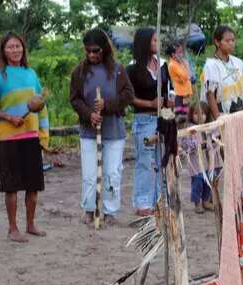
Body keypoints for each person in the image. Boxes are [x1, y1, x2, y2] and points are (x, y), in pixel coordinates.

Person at [0, 32, 49, 242]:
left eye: (18, 46)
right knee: (11, 186)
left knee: (33, 184)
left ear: (23, 49)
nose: (15, 50)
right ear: (3, 51)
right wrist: (9, 117)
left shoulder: (31, 74)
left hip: (31, 137)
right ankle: (12, 228)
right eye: (10, 47)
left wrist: (44, 136)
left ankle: (30, 224)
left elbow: (41, 107)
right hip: (8, 140)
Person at [70, 28, 134, 226]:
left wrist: (107, 105)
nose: (91, 55)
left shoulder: (118, 70)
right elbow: (75, 99)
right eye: (88, 51)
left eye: (95, 50)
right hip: (89, 132)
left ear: (104, 49)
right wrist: (89, 114)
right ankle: (89, 210)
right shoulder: (79, 72)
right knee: (89, 174)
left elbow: (128, 95)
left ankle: (109, 211)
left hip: (114, 131)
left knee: (112, 173)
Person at [127, 28, 173, 217]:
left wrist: (169, 101)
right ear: (145, 43)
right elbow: (129, 98)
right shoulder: (132, 69)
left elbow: (169, 90)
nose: (158, 43)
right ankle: (142, 203)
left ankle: (159, 200)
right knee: (145, 162)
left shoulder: (163, 65)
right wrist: (150, 104)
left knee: (162, 160)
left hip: (161, 118)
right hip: (144, 119)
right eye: (154, 40)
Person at [200, 25, 243, 118]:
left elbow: (242, 91)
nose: (231, 43)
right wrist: (218, 119)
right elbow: (210, 94)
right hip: (222, 113)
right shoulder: (211, 66)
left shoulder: (238, 63)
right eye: (227, 41)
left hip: (239, 113)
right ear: (217, 42)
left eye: (233, 40)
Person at [167, 42, 192, 117]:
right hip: (179, 95)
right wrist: (187, 66)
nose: (182, 55)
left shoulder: (180, 63)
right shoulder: (172, 65)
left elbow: (189, 76)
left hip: (186, 93)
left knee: (186, 116)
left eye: (182, 52)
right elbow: (186, 77)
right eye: (179, 52)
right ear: (173, 54)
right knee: (180, 117)